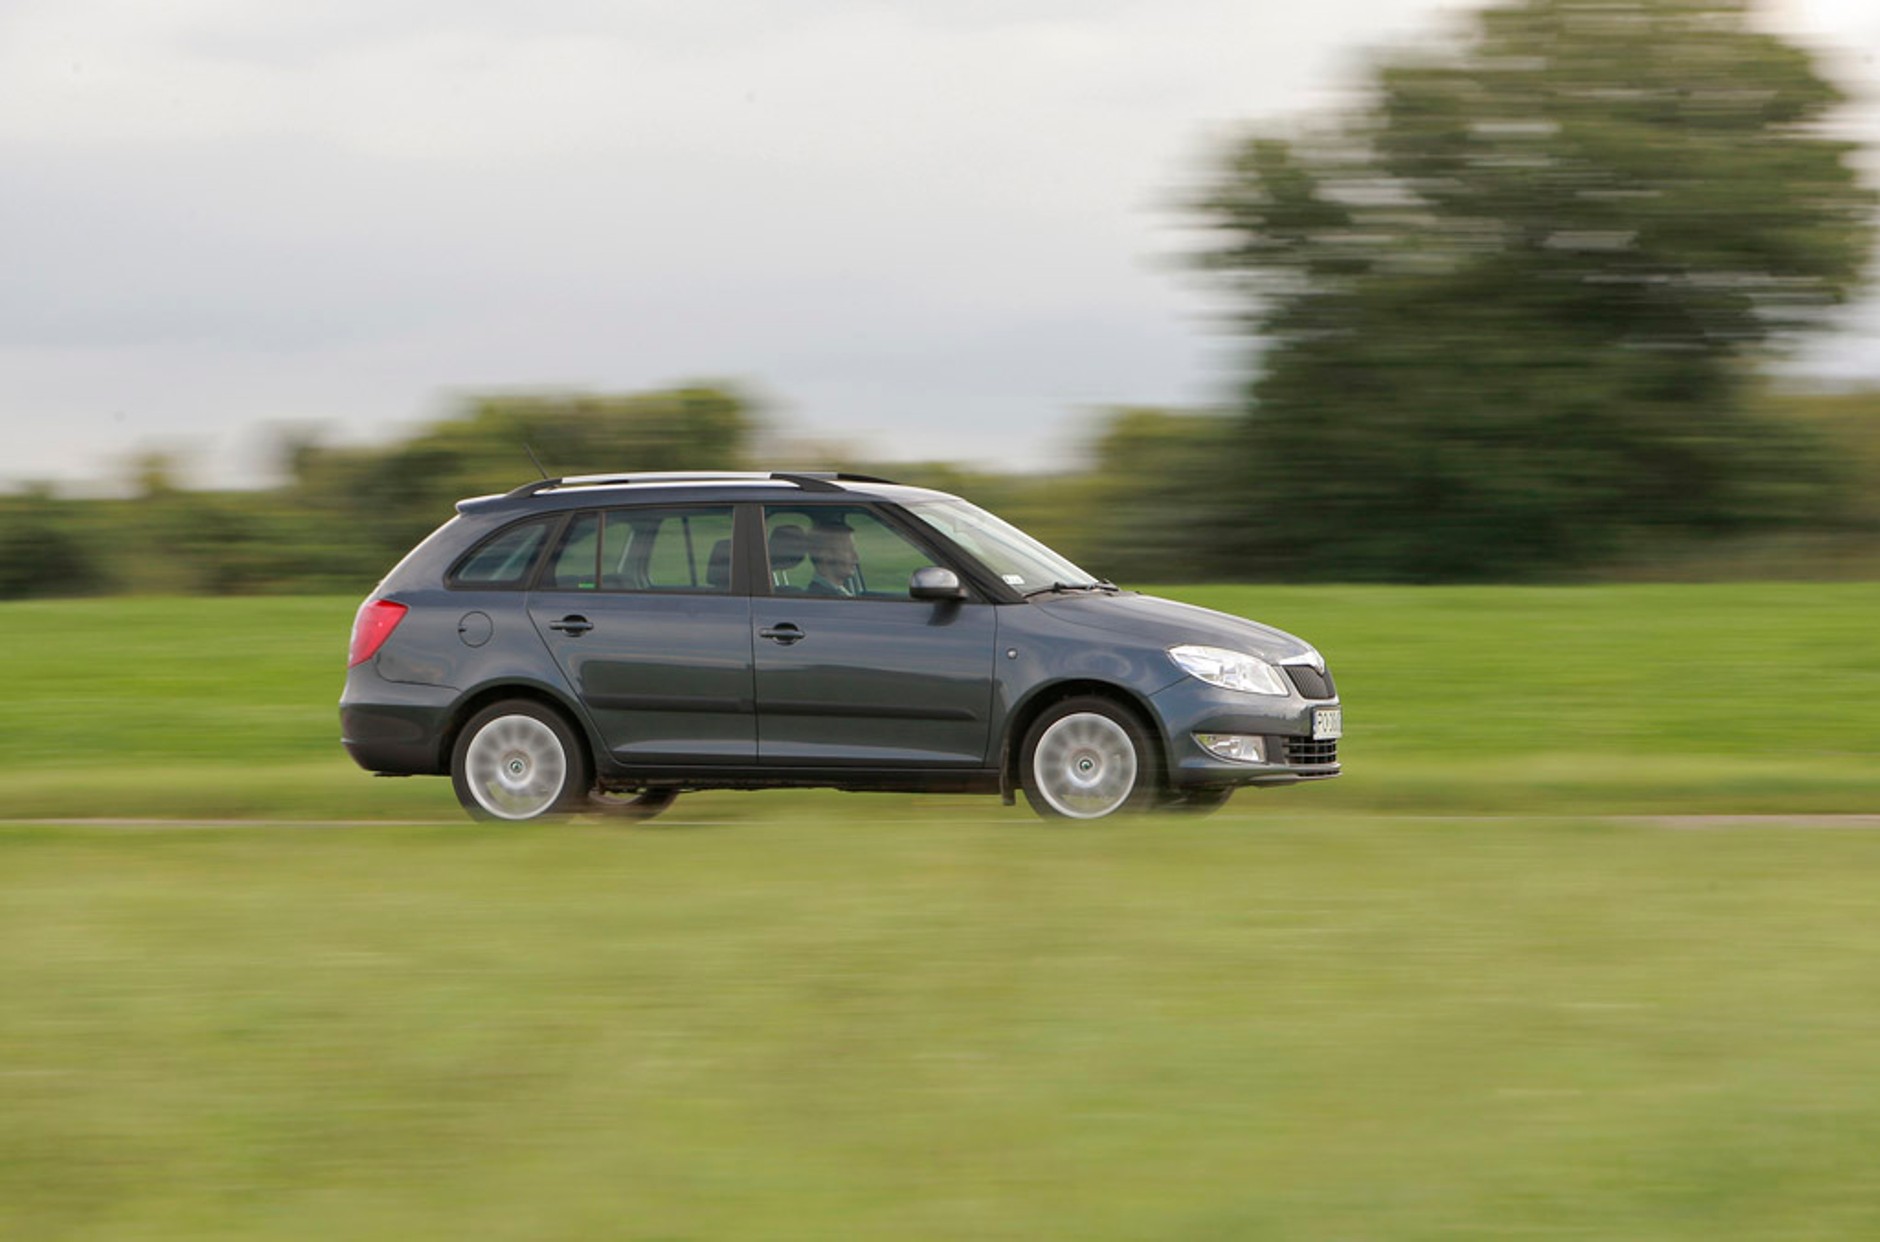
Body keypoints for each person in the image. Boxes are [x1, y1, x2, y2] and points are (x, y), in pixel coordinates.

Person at [805, 524, 859, 596]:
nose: (856, 557)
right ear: (826, 555)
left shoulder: (837, 594)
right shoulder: (823, 599)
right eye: (847, 550)